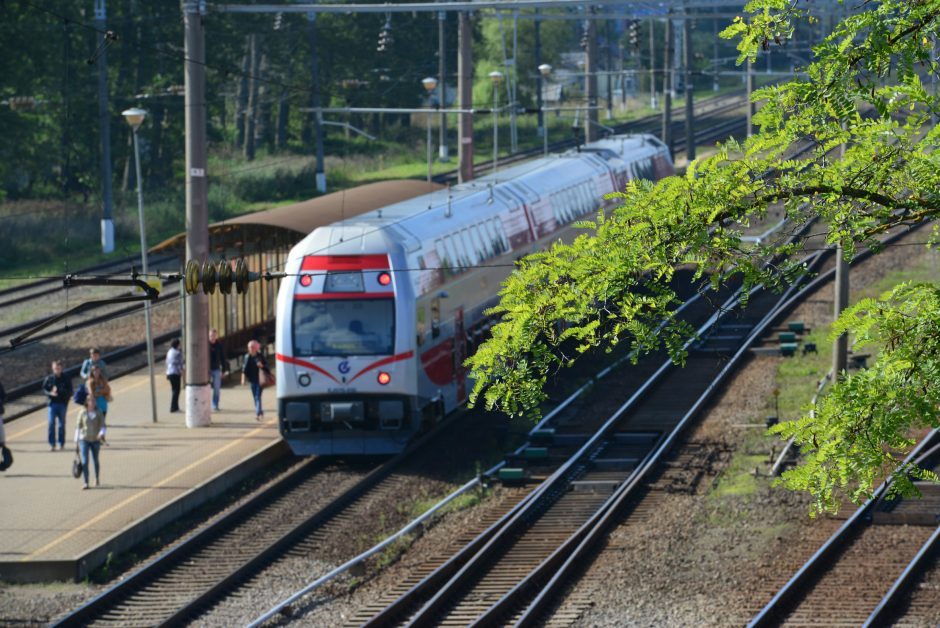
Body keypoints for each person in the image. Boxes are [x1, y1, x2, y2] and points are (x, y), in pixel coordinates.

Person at [74, 396, 106, 490]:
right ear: (87, 402)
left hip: (95, 440)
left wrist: (101, 434)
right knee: (85, 461)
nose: (92, 402)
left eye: (94, 401)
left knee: (95, 460)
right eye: (91, 401)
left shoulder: (99, 412)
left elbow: (103, 426)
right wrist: (76, 441)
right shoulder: (82, 412)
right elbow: (78, 427)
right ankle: (86, 482)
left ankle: (96, 478)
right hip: (84, 439)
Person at [42, 360, 73, 451]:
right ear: (53, 368)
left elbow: (70, 391)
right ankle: (52, 444)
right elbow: (44, 389)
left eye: (58, 368)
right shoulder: (49, 378)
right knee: (51, 423)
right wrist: (50, 393)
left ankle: (61, 443)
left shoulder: (66, 378)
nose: (57, 370)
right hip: (52, 404)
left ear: (61, 368)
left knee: (61, 425)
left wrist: (61, 392)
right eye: (55, 368)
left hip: (62, 404)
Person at [241, 339, 269, 421]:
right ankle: (260, 411)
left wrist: (262, 366)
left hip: (260, 380)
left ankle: (257, 413)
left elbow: (267, 367)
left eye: (252, 347)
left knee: (257, 396)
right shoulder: (247, 357)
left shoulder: (260, 356)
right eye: (249, 347)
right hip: (252, 380)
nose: (251, 349)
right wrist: (243, 379)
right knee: (255, 397)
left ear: (256, 348)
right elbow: (244, 369)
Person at [208, 329, 228, 411]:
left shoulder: (219, 345)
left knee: (216, 388)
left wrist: (224, 370)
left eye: (214, 335)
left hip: (216, 369)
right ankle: (205, 404)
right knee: (205, 388)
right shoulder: (205, 344)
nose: (212, 337)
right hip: (206, 370)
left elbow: (223, 358)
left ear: (216, 336)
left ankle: (215, 404)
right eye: (211, 336)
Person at [166, 338, 184, 413]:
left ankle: (175, 407)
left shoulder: (169, 352)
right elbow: (180, 364)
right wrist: (182, 371)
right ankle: (174, 408)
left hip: (169, 373)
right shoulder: (177, 353)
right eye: (179, 344)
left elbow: (166, 362)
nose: (180, 345)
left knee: (174, 390)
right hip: (175, 373)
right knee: (176, 391)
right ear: (177, 344)